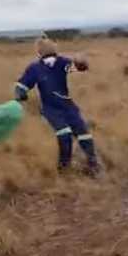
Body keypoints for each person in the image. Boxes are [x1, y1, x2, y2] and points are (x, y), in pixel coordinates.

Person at [14, 34, 101, 176]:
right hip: (51, 109)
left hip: (67, 106)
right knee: (64, 134)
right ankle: (64, 168)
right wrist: (20, 94)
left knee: (83, 133)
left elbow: (78, 68)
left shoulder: (62, 63)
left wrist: (81, 63)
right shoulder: (35, 68)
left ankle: (92, 164)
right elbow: (22, 85)